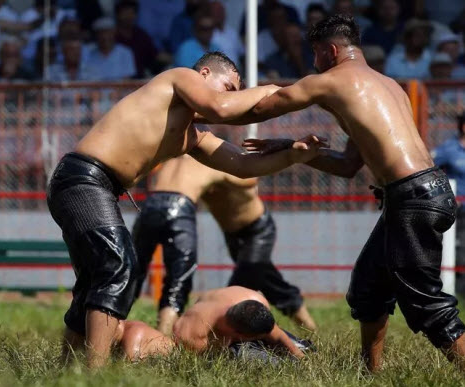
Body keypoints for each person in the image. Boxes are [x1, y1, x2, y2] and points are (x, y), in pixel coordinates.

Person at [46, 51, 328, 368]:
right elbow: (221, 108)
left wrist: (294, 155)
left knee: (95, 278)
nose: (231, 98)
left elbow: (245, 165)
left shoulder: (189, 136)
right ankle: (94, 373)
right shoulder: (180, 77)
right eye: (229, 87)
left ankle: (66, 368)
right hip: (83, 178)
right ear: (205, 74)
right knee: (117, 266)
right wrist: (278, 91)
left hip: (97, 188)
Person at [240, 14, 465, 372]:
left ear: (330, 51)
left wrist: (205, 103)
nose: (314, 64)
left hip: (412, 198)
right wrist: (295, 150)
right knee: (368, 290)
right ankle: (369, 373)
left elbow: (264, 105)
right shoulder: (389, 86)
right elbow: (348, 165)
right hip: (420, 194)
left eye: (315, 54)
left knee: (427, 305)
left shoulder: (331, 81)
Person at [132, 154, 317, 335]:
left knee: (243, 279)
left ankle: (220, 331)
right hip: (232, 234)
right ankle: (308, 327)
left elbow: (250, 179)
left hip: (258, 230)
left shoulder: (220, 163)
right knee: (266, 278)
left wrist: (224, 173)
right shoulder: (187, 166)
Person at [118, 286, 309, 361]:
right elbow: (200, 361)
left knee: (298, 351)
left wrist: (301, 359)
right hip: (217, 342)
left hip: (239, 328)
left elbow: (275, 333)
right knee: (255, 359)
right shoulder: (192, 336)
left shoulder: (253, 302)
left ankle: (303, 351)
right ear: (238, 334)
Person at [432, 114, 465, 295]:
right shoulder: (448, 150)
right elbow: (428, 171)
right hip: (459, 213)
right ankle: (458, 296)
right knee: (460, 253)